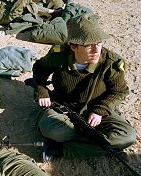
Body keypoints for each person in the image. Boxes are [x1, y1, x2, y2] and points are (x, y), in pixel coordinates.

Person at [32, 13, 136, 161]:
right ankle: (100, 145)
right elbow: (40, 68)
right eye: (88, 45)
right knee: (50, 127)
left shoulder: (111, 62)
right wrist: (41, 90)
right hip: (64, 108)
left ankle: (62, 149)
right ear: (73, 45)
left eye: (99, 43)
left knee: (127, 137)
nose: (96, 50)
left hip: (98, 112)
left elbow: (119, 91)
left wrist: (100, 110)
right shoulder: (59, 55)